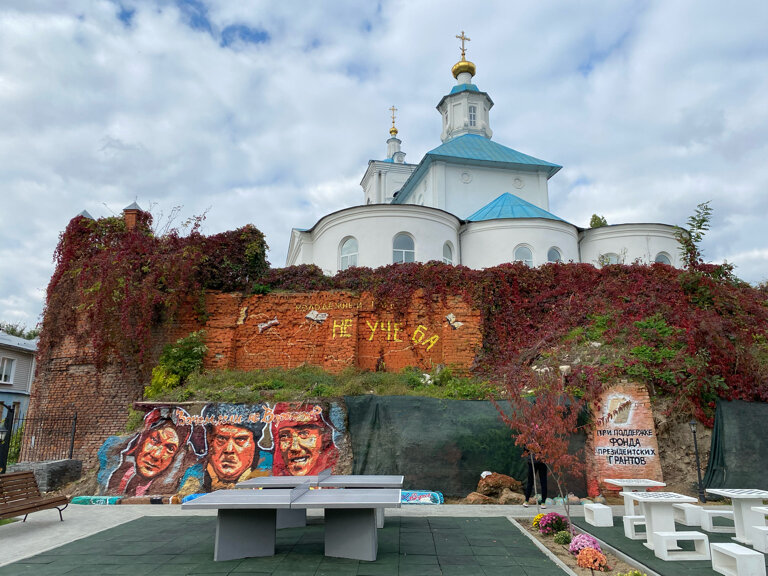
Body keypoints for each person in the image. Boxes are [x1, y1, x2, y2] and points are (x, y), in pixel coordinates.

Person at [105, 407, 201, 497]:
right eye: (155, 440)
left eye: (170, 449)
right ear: (141, 440)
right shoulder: (122, 474)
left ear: (176, 457)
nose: (156, 455)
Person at [202, 403, 271, 490]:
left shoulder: (269, 469)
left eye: (241, 439)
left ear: (254, 443)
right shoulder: (194, 474)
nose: (229, 449)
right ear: (209, 438)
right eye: (221, 438)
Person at [271, 403, 339, 476]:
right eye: (284, 436)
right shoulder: (274, 478)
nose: (295, 448)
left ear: (324, 437)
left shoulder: (336, 475)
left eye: (304, 434)